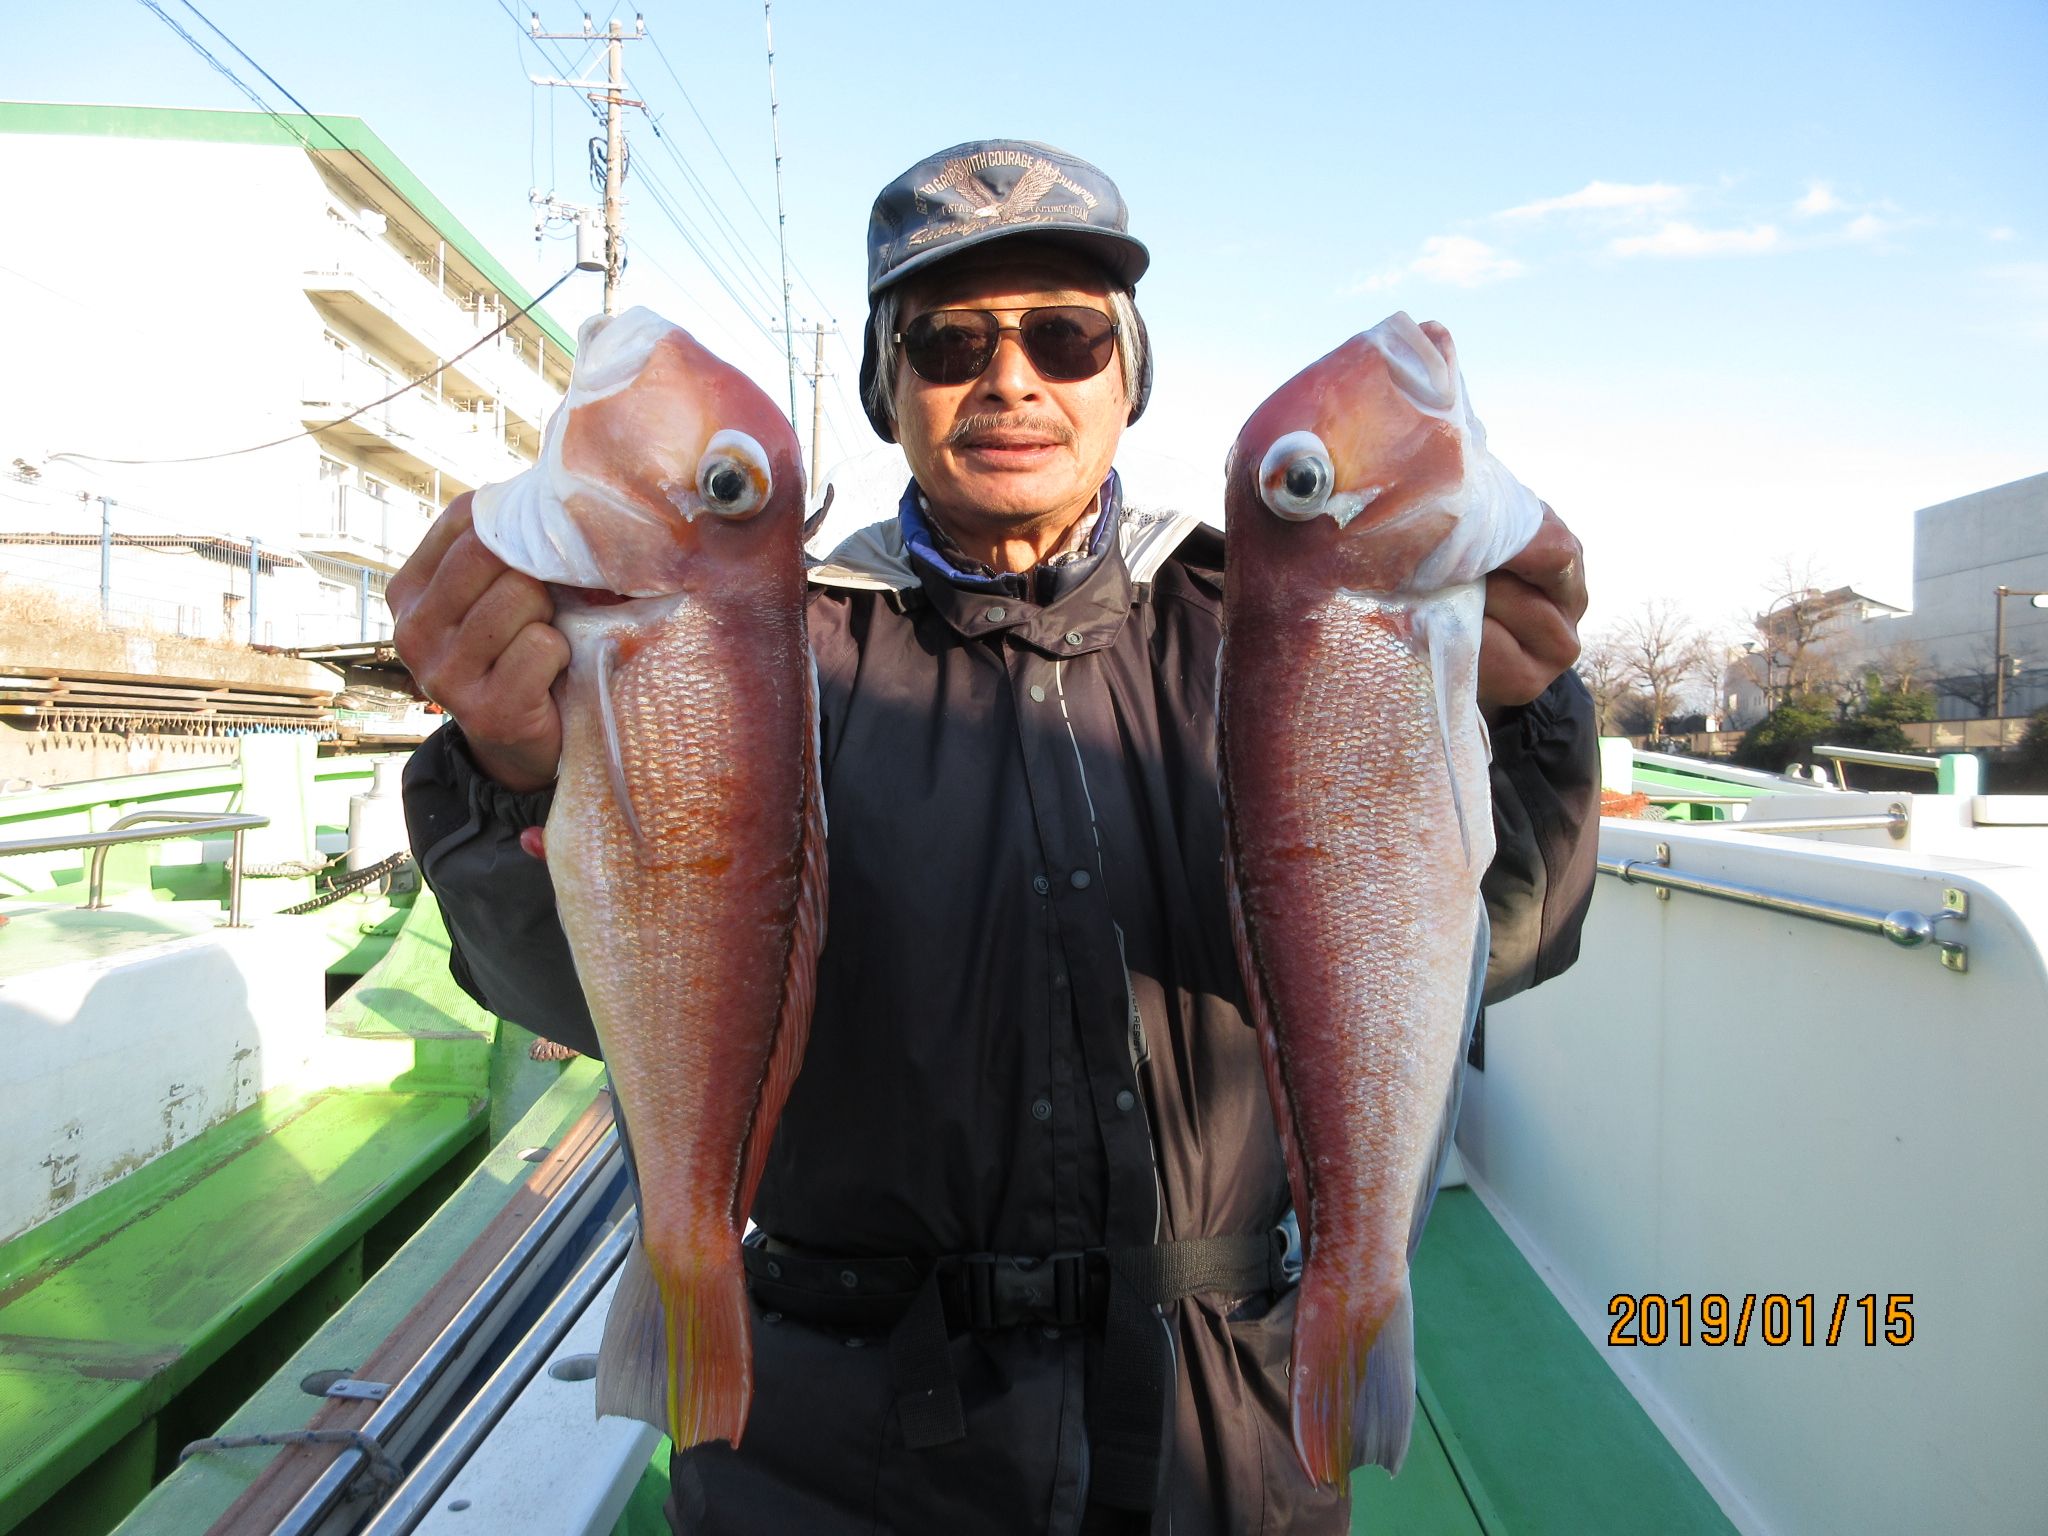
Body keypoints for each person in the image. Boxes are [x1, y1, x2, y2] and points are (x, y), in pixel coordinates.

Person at [391, 139, 1598, 1536]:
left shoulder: (1270, 634)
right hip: (834, 1454)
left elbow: (1504, 939)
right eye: (949, 341)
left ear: (1128, 374)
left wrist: (1514, 723)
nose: (1011, 379)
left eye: (1067, 335)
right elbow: (569, 990)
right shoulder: (755, 657)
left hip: (1220, 1447)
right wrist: (511, 776)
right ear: (886, 388)